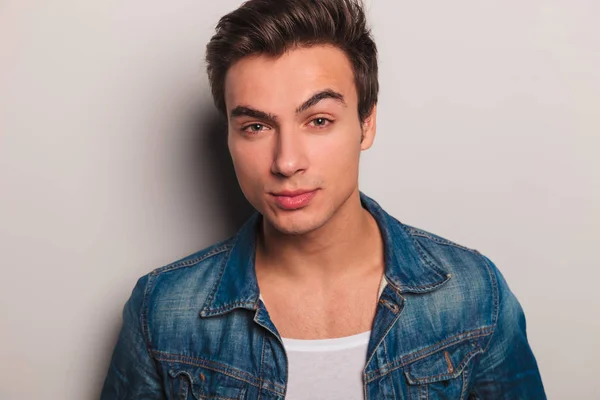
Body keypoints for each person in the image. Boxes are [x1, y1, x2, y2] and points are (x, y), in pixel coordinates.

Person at [101, 0, 546, 398]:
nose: (287, 162)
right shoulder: (162, 311)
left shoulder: (472, 296)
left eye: (317, 120)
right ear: (230, 138)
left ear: (366, 124)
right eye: (256, 126)